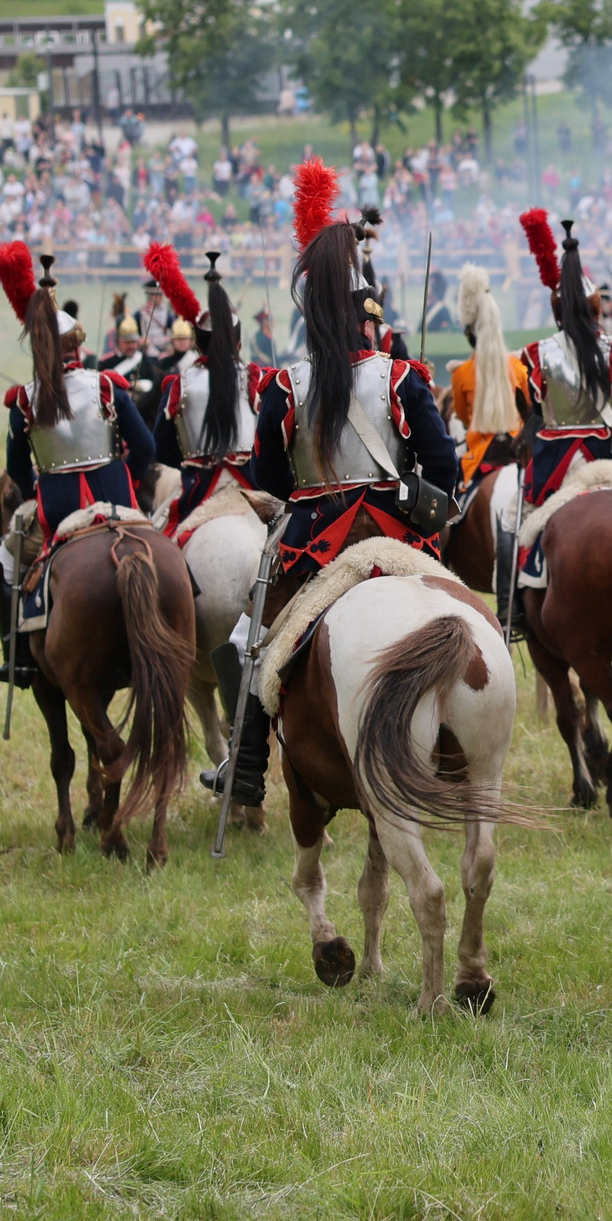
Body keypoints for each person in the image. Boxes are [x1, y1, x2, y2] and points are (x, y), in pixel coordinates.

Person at [218, 200, 458, 809]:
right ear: (367, 319)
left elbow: (264, 472)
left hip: (314, 542)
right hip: (397, 533)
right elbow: (446, 469)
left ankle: (245, 764)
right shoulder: (402, 377)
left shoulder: (287, 384)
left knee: (244, 641)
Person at [0, 243, 158, 688]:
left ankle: (17, 657)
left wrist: (38, 486)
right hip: (119, 499)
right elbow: (146, 447)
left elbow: (18, 474)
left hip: (58, 508)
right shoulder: (107, 386)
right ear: (78, 345)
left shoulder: (24, 400)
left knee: (5, 561)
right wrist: (126, 479)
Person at [506, 206, 612, 632]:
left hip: (554, 465)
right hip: (609, 458)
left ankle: (516, 603)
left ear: (558, 313)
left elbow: (536, 411)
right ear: (596, 307)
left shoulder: (536, 354)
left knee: (517, 525)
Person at [147, 242, 266, 532]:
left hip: (198, 491)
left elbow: (160, 448)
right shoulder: (258, 378)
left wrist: (192, 457)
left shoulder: (179, 385)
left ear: (198, 344)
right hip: (254, 490)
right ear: (237, 343)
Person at [446, 264, 528, 482]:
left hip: (479, 457)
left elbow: (463, 418)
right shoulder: (518, 368)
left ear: (468, 333)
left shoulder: (461, 374)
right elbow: (527, 410)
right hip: (516, 451)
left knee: (455, 509)